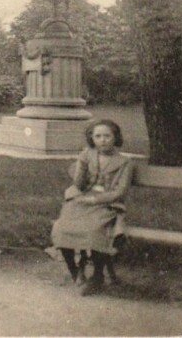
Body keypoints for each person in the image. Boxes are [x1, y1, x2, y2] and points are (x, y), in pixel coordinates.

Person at [51, 119, 133, 296]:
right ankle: (75, 271)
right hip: (82, 200)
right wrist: (82, 163)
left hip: (107, 204)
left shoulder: (124, 162)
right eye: (98, 136)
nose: (102, 140)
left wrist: (95, 200)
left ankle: (97, 276)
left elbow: (120, 191)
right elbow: (79, 185)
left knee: (94, 230)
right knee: (62, 227)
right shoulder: (88, 155)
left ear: (115, 137)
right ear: (92, 139)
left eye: (107, 136)